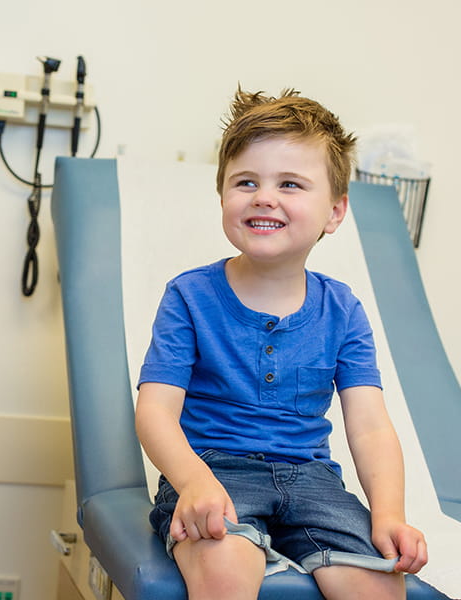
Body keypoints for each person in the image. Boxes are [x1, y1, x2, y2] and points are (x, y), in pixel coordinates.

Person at [135, 88, 428, 600]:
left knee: (376, 587)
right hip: (213, 467)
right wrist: (193, 482)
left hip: (313, 482)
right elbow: (155, 412)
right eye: (245, 182)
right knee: (223, 571)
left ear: (334, 212)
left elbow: (371, 425)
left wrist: (389, 515)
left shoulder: (343, 310)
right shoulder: (189, 296)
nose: (264, 197)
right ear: (222, 195)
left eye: (290, 184)